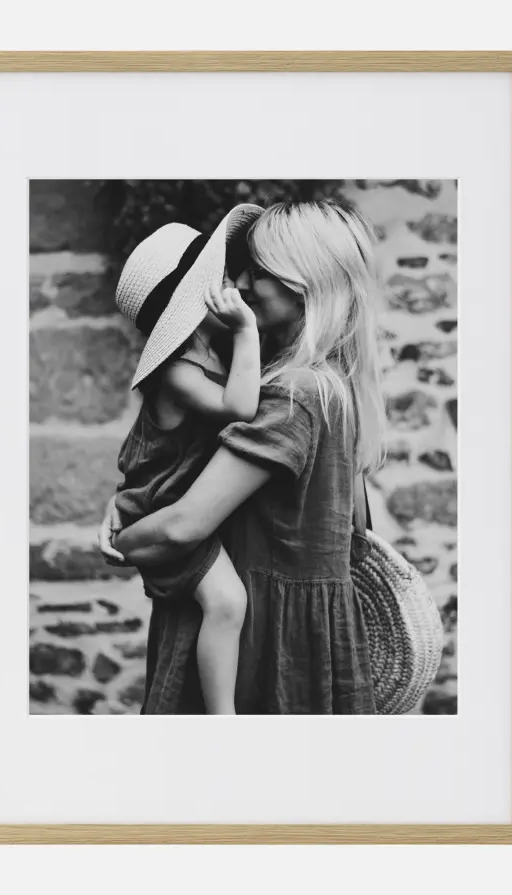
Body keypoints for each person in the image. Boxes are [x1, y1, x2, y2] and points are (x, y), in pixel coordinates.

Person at [101, 198, 387, 714]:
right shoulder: (324, 385)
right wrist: (131, 500)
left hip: (264, 639)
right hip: (287, 629)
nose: (242, 284)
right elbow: (354, 532)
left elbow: (182, 527)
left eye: (260, 271)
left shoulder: (292, 394)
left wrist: (127, 536)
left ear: (305, 284)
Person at [106, 204, 264, 714]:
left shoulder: (214, 352)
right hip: (163, 504)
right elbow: (240, 407)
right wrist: (247, 331)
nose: (236, 284)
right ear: (194, 300)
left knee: (225, 603)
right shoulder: (178, 371)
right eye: (222, 279)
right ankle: (222, 716)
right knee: (227, 602)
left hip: (177, 495)